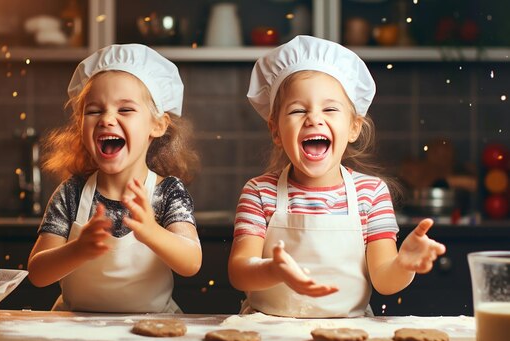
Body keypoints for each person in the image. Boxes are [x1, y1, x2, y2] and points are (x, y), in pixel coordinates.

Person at [228, 35, 446, 318]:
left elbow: (384, 279)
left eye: (330, 109)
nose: (314, 119)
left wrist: (404, 264)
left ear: (354, 127)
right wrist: (273, 269)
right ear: (275, 130)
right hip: (268, 331)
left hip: (352, 333)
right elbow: (239, 272)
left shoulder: (372, 193)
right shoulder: (260, 192)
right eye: (297, 110)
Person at [27, 44, 201, 313]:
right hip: (75, 331)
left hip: (151, 329)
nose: (107, 119)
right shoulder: (71, 193)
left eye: (126, 110)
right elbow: (38, 273)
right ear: (80, 124)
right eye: (94, 111)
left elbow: (191, 262)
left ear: (158, 125)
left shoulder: (167, 192)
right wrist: (78, 250)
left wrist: (152, 231)